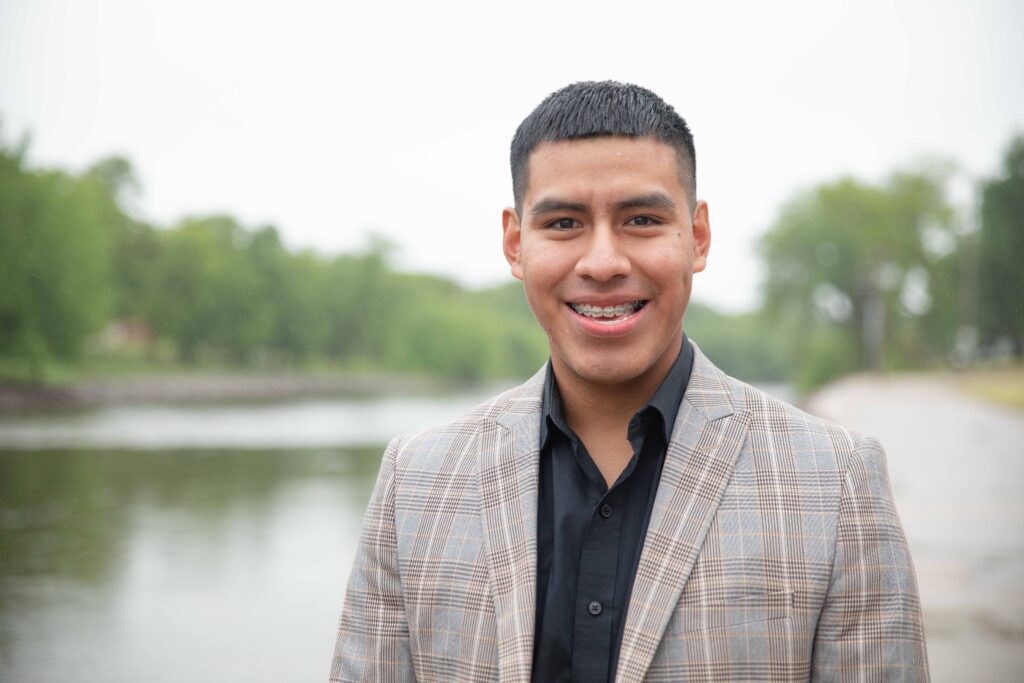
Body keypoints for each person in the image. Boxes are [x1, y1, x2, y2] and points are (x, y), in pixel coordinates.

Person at [330, 81, 929, 682]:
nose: (603, 262)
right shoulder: (416, 481)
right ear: (516, 244)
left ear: (697, 236)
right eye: (564, 223)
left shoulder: (835, 481)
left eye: (641, 219)